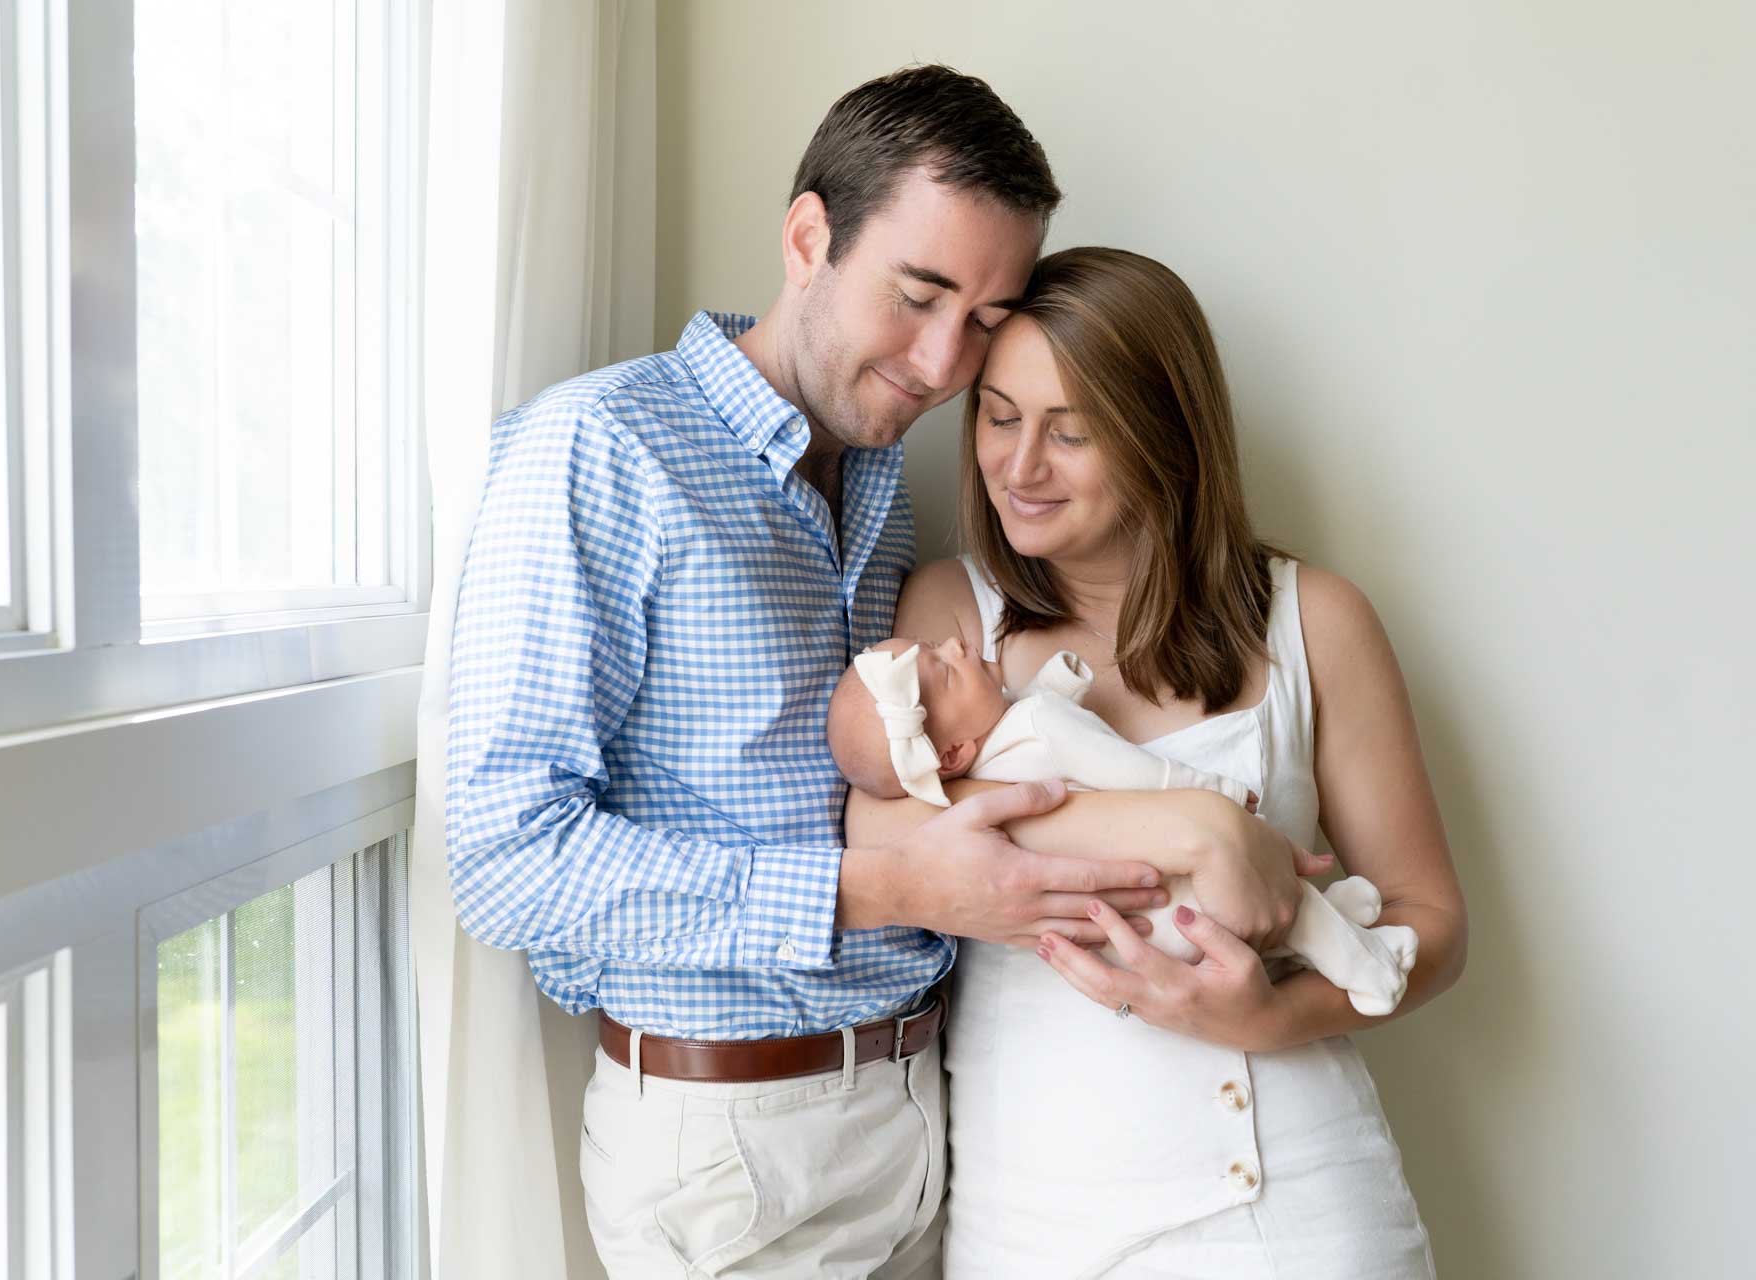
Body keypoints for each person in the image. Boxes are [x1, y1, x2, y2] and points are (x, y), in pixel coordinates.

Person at [443, 68, 1315, 1277]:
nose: (944, 362)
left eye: (984, 318)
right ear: (809, 237)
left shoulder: (879, 488)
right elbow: (504, 863)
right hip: (732, 1144)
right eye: (918, 296)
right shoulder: (596, 449)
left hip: (928, 1120)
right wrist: (889, 885)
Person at [847, 246, 1470, 1275]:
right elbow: (883, 830)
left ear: (1165, 438)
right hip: (1034, 1219)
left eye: (1072, 430)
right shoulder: (954, 622)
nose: (1019, 464)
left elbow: (1430, 922)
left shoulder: (1314, 620)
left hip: (1296, 1203)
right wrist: (1197, 827)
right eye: (999, 416)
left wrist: (1273, 1014)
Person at [827, 637, 1419, 1014]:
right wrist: (1221, 797)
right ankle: (1364, 967)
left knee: (1261, 932)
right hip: (1170, 887)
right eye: (945, 668)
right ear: (952, 753)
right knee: (1279, 895)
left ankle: (1341, 924)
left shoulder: (970, 776)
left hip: (1125, 929)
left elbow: (1021, 733)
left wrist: (1056, 684)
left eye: (938, 646)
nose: (957, 644)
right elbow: (1135, 772)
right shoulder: (1038, 721)